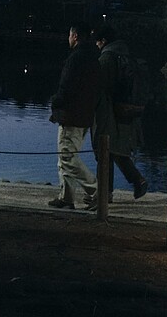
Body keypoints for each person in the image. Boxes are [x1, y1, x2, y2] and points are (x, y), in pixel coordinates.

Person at [90, 23, 148, 206]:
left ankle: (104, 196)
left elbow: (100, 87)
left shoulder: (107, 58)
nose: (96, 46)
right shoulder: (125, 55)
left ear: (104, 41)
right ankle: (137, 180)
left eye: (98, 42)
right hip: (125, 110)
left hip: (108, 111)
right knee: (115, 150)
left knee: (104, 151)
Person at [47, 22, 101, 209]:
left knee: (67, 157)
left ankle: (96, 191)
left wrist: (56, 101)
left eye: (70, 35)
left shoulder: (76, 58)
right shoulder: (93, 57)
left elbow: (67, 87)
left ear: (75, 36)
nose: (68, 38)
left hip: (72, 115)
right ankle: (66, 197)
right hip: (85, 114)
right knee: (66, 156)